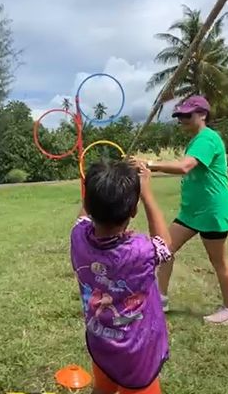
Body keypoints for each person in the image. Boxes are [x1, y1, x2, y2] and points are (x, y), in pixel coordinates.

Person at [71, 159, 172, 394]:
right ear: (134, 210)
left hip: (101, 343)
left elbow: (83, 217)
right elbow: (165, 244)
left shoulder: (78, 237)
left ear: (87, 201)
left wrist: (102, 183)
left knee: (103, 388)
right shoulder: (140, 251)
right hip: (137, 354)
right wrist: (146, 192)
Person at [144, 95, 228, 325]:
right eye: (179, 116)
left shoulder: (207, 138)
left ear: (203, 115)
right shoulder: (198, 139)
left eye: (188, 115)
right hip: (192, 212)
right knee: (165, 249)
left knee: (219, 262)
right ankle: (161, 299)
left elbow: (185, 167)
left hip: (211, 211)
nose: (182, 119)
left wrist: (149, 164)